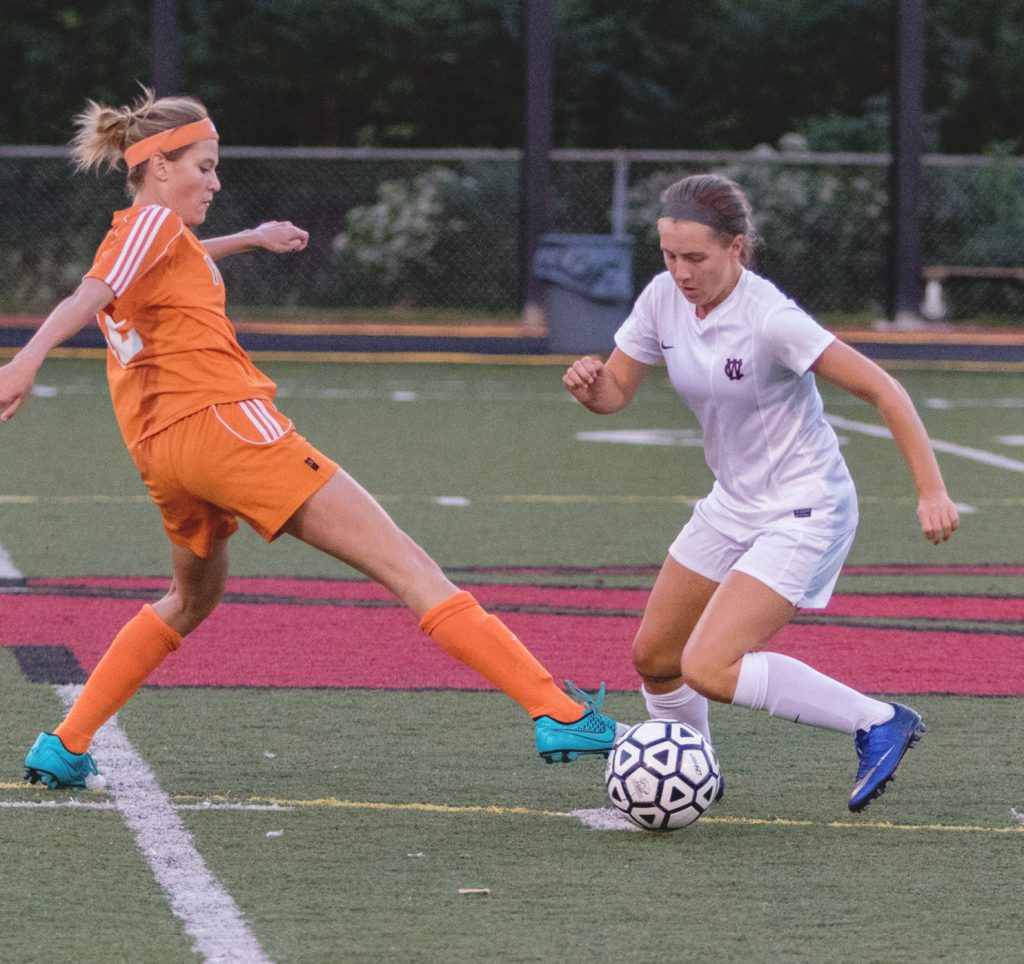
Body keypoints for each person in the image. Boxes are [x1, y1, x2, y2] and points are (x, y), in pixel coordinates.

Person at [1, 88, 618, 790]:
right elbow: (89, 291)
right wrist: (27, 359)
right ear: (160, 166)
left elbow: (168, 259)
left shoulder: (151, 238)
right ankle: (557, 710)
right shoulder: (149, 224)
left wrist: (251, 238)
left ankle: (66, 742)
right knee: (410, 567)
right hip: (228, 429)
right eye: (205, 166)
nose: (215, 180)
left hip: (164, 455)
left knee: (190, 599)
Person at [563, 173, 959, 813]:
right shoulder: (662, 297)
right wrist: (590, 387)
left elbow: (885, 390)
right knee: (657, 657)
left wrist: (931, 490)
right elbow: (614, 393)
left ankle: (879, 720)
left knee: (709, 666)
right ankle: (694, 771)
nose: (681, 271)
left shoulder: (772, 320)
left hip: (805, 509)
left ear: (736, 248)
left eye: (696, 258)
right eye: (669, 255)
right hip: (732, 503)